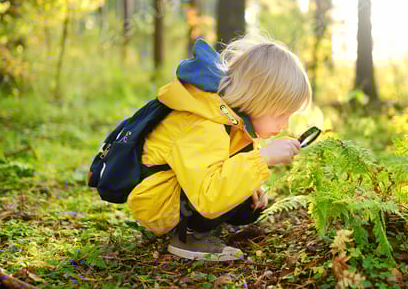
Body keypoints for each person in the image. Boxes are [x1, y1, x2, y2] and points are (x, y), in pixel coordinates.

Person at [127, 35, 312, 261]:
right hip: (157, 203)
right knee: (234, 192)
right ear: (257, 99)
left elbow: (225, 165)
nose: (285, 125)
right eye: (280, 114)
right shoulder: (205, 123)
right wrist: (261, 159)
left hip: (185, 190)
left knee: (248, 205)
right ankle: (188, 238)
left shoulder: (234, 121)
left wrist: (249, 184)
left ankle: (196, 228)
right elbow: (208, 194)